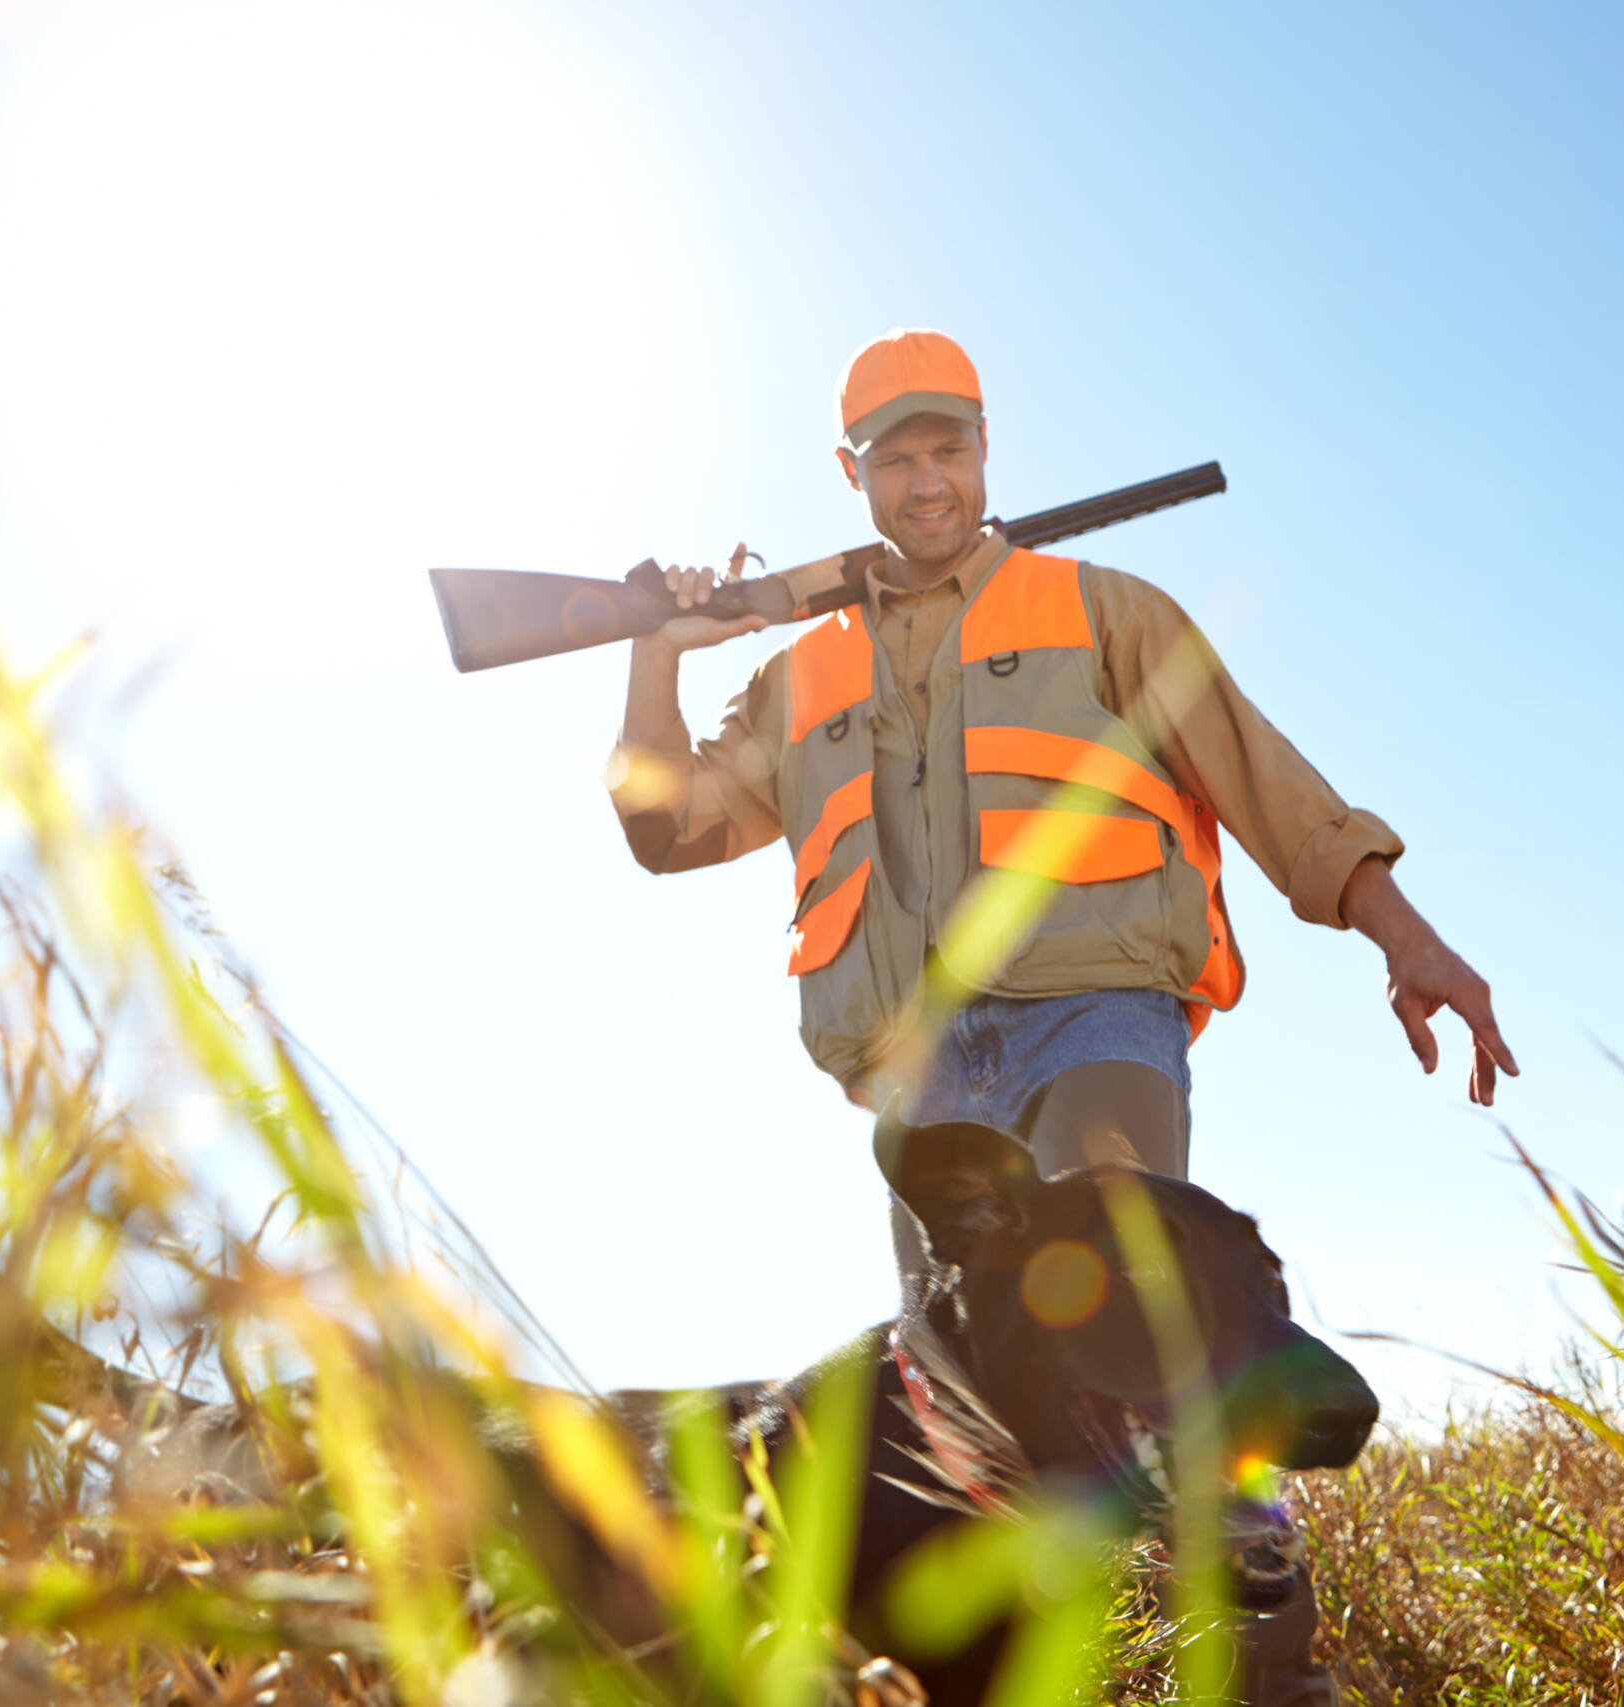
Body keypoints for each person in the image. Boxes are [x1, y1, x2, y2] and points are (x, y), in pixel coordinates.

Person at [606, 328, 1515, 1703]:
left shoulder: (1103, 608)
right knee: (978, 1398)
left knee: (1132, 1271)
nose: (927, 483)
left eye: (949, 449)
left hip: (1095, 1014)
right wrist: (654, 658)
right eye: (896, 458)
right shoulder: (795, 681)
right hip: (917, 1074)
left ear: (986, 451)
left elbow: (1275, 790)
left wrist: (1410, 938)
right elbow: (663, 834)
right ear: (850, 473)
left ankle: (1263, 1625)